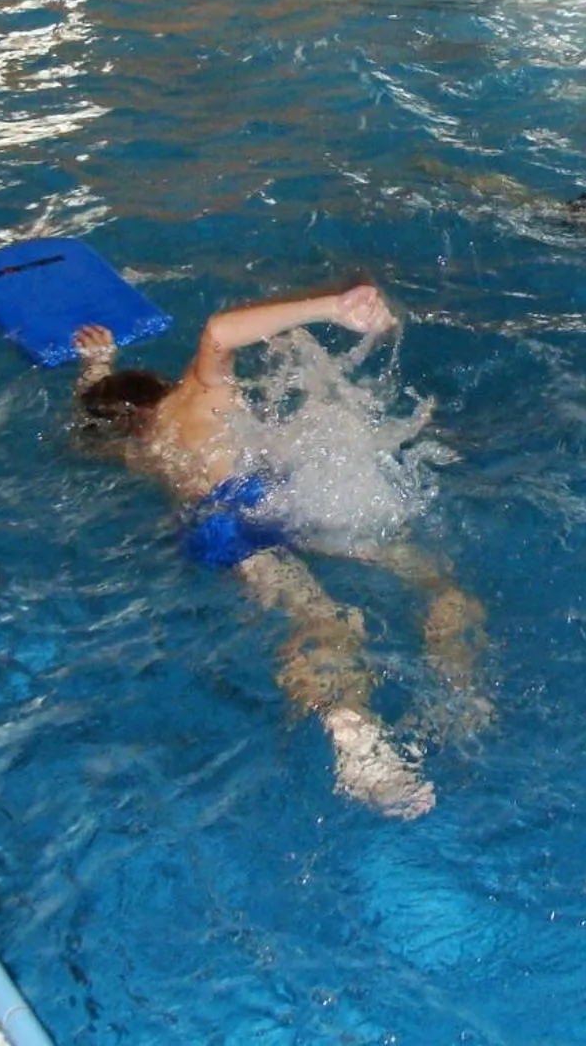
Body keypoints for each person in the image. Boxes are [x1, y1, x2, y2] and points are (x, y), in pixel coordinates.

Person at [70, 281, 485, 819]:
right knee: (438, 583)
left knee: (322, 619)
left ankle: (354, 737)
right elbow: (219, 332)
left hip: (220, 527)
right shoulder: (194, 396)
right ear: (162, 384)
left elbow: (102, 409)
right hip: (275, 497)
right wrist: (331, 307)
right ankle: (457, 691)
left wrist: (96, 366)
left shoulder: (139, 450)